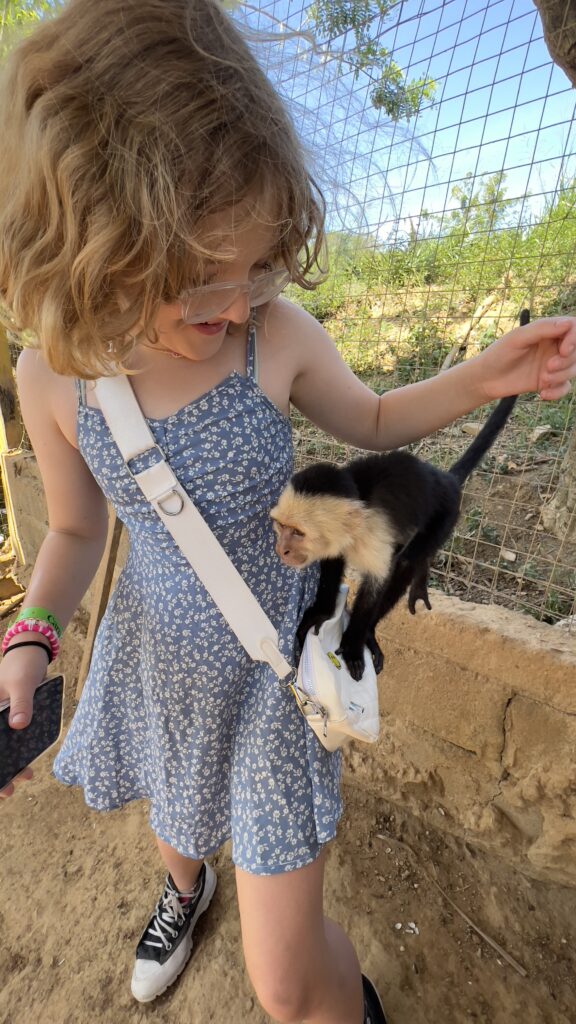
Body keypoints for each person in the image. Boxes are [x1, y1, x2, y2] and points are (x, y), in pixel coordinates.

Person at [0, 2, 575, 1022]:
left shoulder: (275, 336)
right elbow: (81, 530)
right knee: (176, 828)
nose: (235, 310)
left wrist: (483, 376)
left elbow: (379, 415)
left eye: (256, 271)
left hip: (274, 658)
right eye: (196, 293)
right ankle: (185, 889)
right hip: (158, 653)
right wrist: (33, 634)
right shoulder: (57, 378)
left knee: (286, 981)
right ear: (93, 256)